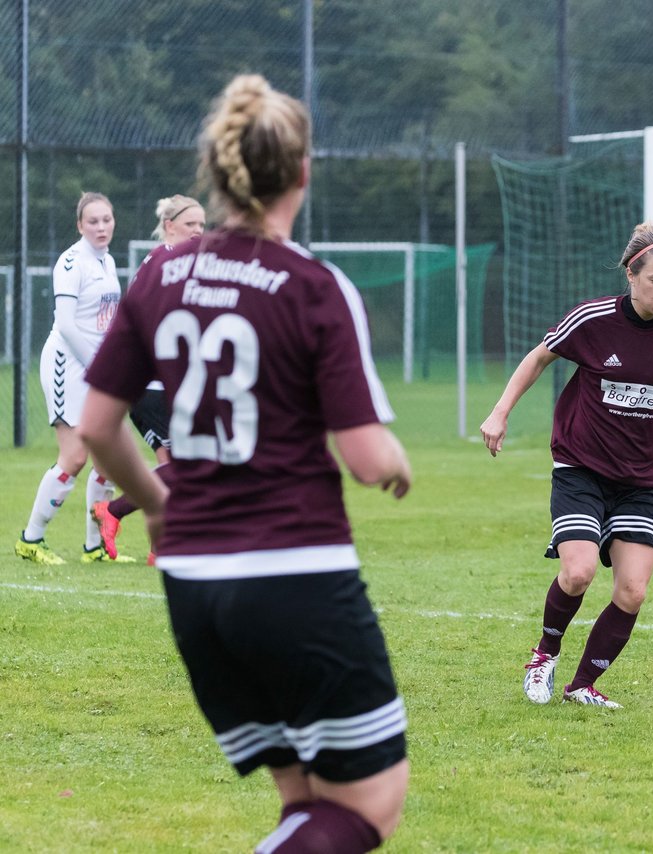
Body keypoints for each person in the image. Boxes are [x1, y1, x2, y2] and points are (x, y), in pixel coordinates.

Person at [78, 74, 413, 853]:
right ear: (302, 172)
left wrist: (158, 504)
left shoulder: (161, 273)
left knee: (304, 804)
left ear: (221, 174)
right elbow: (366, 458)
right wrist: (396, 458)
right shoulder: (312, 284)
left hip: (194, 585)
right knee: (366, 808)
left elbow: (98, 424)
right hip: (294, 574)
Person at [481, 223, 653, 709]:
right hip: (581, 468)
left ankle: (582, 686)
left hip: (638, 480)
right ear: (632, 275)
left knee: (633, 590)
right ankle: (544, 657)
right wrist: (500, 411)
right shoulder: (595, 320)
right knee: (577, 573)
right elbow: (539, 357)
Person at [15, 192, 134, 565]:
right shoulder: (71, 262)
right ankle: (30, 540)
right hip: (68, 365)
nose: (101, 227)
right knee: (75, 456)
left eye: (107, 220)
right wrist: (101, 365)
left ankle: (94, 549)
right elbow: (66, 325)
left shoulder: (108, 261)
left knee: (106, 461)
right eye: (93, 221)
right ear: (80, 225)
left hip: (96, 367)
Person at [92, 194, 207, 564]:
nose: (199, 232)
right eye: (191, 225)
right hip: (152, 384)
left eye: (203, 225)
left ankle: (161, 549)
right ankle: (114, 511)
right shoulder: (166, 262)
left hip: (153, 383)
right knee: (187, 465)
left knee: (172, 466)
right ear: (169, 226)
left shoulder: (172, 263)